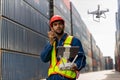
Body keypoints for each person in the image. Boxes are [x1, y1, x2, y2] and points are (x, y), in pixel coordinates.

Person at [40, 15, 86, 80]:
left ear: (63, 26)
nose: (58, 26)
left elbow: (82, 58)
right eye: (55, 25)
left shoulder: (74, 40)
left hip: (66, 78)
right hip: (51, 78)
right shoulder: (51, 43)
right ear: (52, 28)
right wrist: (50, 43)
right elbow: (44, 58)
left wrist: (76, 65)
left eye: (60, 24)